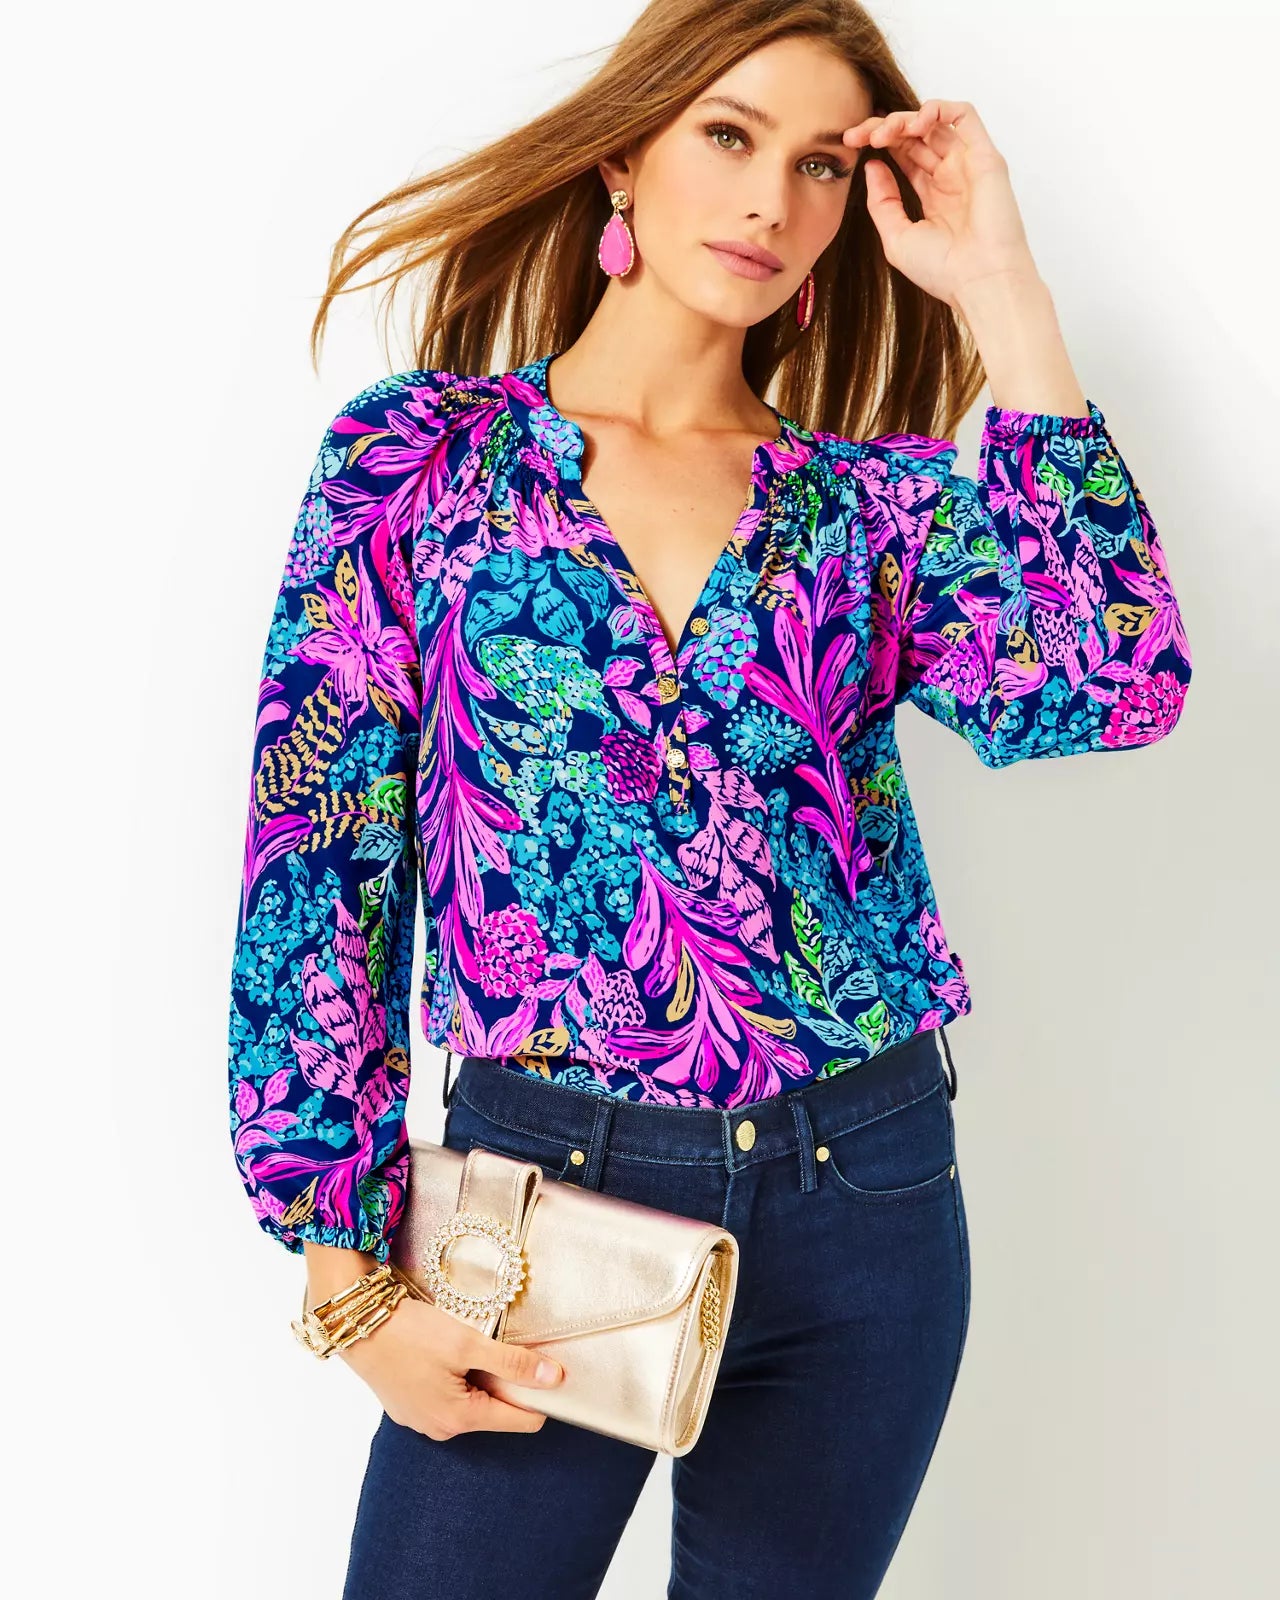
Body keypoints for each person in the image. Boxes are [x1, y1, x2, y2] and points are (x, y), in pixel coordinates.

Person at [226, 3, 1193, 1595]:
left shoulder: (867, 512)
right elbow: (318, 859)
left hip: (865, 1196)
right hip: (542, 1201)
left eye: (819, 166)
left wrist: (1002, 287)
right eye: (730, 136)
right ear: (626, 154)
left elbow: (1118, 679)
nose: (768, 200)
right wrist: (347, 1274)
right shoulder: (419, 463)